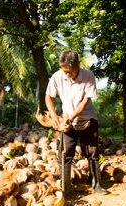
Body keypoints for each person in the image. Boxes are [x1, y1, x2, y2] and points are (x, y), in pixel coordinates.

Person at [45, 49, 107, 195]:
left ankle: (96, 184)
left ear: (78, 65)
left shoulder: (88, 76)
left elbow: (84, 102)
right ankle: (65, 189)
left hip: (87, 119)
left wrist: (71, 117)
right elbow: (48, 97)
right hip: (67, 120)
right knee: (65, 154)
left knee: (92, 153)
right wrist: (54, 116)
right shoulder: (57, 77)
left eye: (70, 71)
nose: (67, 74)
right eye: (64, 71)